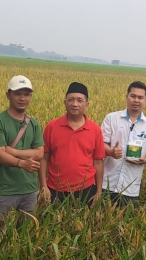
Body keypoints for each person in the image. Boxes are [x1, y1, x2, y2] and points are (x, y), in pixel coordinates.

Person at [39, 82, 105, 207]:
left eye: (80, 100)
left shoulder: (95, 130)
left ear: (87, 104)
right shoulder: (52, 127)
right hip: (55, 189)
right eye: (71, 100)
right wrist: (43, 186)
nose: (75, 104)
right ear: (65, 103)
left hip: (86, 190)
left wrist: (99, 192)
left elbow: (98, 162)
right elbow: (44, 158)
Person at [101, 81, 146, 206]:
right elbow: (102, 143)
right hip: (106, 183)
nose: (136, 100)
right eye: (133, 96)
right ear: (126, 97)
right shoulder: (111, 118)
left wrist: (144, 160)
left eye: (140, 97)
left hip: (130, 187)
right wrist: (111, 152)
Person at [0, 75, 44, 219]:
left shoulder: (34, 124)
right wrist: (21, 163)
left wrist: (12, 151)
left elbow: (39, 153)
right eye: (17, 94)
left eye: (26, 94)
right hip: (4, 190)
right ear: (8, 95)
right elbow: (0, 153)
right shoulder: (1, 120)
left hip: (30, 189)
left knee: (26, 234)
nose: (22, 98)